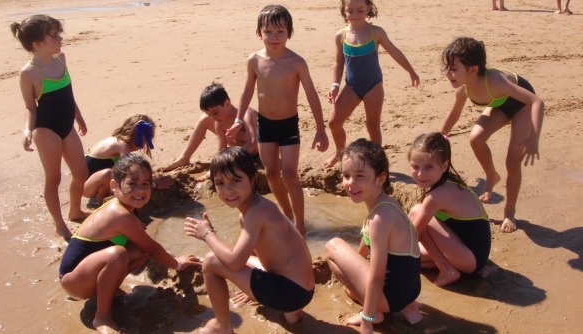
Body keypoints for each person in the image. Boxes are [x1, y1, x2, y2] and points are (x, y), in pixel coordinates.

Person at [59, 153, 201, 334]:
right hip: (73, 281)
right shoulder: (119, 214)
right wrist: (177, 263)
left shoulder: (126, 208)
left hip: (85, 272)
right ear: (114, 186)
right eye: (132, 184)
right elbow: (153, 247)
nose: (140, 190)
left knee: (137, 252)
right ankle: (101, 316)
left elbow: (145, 248)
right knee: (117, 254)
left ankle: (105, 290)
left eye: (145, 184)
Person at [184, 147, 315, 333]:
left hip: (291, 292)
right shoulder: (257, 208)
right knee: (232, 254)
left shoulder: (256, 212)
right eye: (219, 183)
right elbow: (253, 252)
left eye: (235, 181)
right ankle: (292, 313)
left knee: (211, 262)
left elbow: (235, 263)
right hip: (301, 288)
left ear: (253, 179)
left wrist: (207, 234)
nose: (227, 190)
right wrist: (250, 287)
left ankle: (223, 326)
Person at [226, 4, 329, 235]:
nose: (274, 37)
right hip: (265, 124)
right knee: (271, 173)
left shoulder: (296, 62)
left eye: (280, 32)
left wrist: (321, 129)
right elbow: (247, 92)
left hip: (288, 125)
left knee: (290, 175)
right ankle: (287, 214)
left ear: (289, 33)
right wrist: (238, 120)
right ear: (258, 33)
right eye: (268, 32)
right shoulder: (254, 60)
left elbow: (312, 96)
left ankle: (300, 223)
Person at [440, 37, 544, 233]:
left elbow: (537, 102)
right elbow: (454, 114)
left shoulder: (496, 81)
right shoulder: (464, 90)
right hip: (500, 104)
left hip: (523, 105)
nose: (448, 73)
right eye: (447, 67)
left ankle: (509, 213)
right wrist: (441, 136)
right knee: (475, 139)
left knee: (512, 162)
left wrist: (534, 138)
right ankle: (492, 176)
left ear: (473, 70)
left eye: (453, 69)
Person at [324, 138, 423, 333]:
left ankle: (376, 312)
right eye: (346, 175)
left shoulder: (379, 219)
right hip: (409, 291)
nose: (350, 183)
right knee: (349, 287)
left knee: (332, 246)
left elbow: (377, 277)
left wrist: (367, 320)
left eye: (360, 176)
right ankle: (406, 308)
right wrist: (354, 269)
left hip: (392, 296)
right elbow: (366, 240)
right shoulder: (387, 203)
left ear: (381, 178)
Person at [11, 15, 90, 241]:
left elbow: (69, 95)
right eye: (54, 35)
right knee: (53, 179)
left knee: (81, 173)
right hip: (45, 129)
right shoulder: (29, 72)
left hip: (67, 125)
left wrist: (79, 116)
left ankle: (75, 210)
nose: (60, 39)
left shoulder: (61, 59)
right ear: (37, 43)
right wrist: (27, 130)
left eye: (59, 33)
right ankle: (59, 225)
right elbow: (30, 107)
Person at [323, 0, 420, 169]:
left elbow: (394, 51)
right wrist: (335, 85)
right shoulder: (341, 35)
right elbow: (338, 63)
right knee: (334, 123)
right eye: (350, 11)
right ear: (344, 12)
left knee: (372, 126)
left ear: (368, 8)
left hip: (373, 86)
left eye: (360, 10)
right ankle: (339, 153)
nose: (355, 15)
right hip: (351, 86)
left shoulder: (376, 32)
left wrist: (411, 71)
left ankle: (378, 162)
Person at [408, 132, 492, 287]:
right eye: (415, 167)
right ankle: (453, 266)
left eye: (428, 167)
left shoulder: (437, 195)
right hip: (475, 257)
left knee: (416, 212)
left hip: (469, 258)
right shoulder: (450, 181)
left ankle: (447, 269)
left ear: (444, 166)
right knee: (415, 261)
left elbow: (413, 234)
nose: (420, 174)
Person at [160, 82, 258, 175]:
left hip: (260, 153)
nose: (214, 118)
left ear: (227, 103)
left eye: (215, 113)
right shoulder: (219, 122)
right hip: (242, 154)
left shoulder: (246, 114)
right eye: (210, 114)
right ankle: (184, 158)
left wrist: (229, 160)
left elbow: (253, 143)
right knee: (204, 119)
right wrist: (216, 168)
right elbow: (222, 150)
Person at [83, 114, 170, 205]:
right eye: (143, 141)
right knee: (110, 174)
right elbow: (131, 171)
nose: (144, 145)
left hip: (89, 182)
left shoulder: (115, 140)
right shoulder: (122, 147)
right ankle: (100, 200)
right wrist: (153, 184)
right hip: (87, 188)